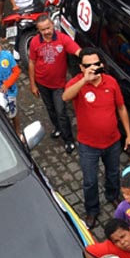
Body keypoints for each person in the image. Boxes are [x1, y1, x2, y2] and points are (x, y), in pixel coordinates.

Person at [63, 48, 130, 229]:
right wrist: (84, 81)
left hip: (112, 141)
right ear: (81, 67)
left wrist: (129, 134)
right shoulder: (77, 83)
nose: (93, 68)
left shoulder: (110, 82)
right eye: (88, 65)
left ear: (101, 65)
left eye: (96, 64)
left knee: (113, 173)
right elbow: (65, 96)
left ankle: (113, 195)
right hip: (88, 145)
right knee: (89, 180)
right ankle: (92, 210)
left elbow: (121, 108)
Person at [28, 13, 81, 153]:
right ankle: (58, 128)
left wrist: (89, 59)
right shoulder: (34, 42)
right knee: (50, 109)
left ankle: (68, 139)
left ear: (53, 25)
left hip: (58, 85)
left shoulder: (63, 39)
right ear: (38, 30)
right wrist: (33, 84)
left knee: (61, 112)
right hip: (42, 83)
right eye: (43, 30)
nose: (46, 31)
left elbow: (77, 51)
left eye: (48, 28)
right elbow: (32, 62)